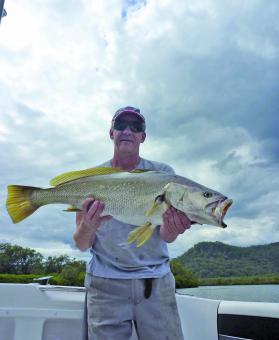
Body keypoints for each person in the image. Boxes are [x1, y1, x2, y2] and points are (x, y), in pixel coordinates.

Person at [73, 106, 191, 340]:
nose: (127, 130)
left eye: (135, 126)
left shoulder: (163, 174)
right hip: (105, 286)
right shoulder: (93, 180)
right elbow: (81, 244)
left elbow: (166, 236)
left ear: (142, 137)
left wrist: (174, 227)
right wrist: (88, 225)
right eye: (121, 125)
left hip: (155, 283)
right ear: (111, 133)